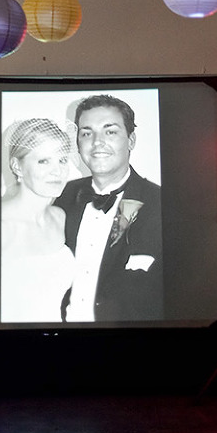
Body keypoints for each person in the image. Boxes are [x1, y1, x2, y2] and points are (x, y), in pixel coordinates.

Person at [55, 94, 163, 323]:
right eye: (87, 133)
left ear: (131, 140)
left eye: (110, 132)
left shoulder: (160, 203)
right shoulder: (62, 196)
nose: (97, 142)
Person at [0, 118, 75, 323]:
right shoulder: (0, 225)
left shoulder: (60, 217)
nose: (57, 171)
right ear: (17, 166)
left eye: (62, 160)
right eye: (44, 161)